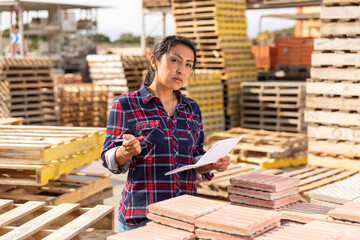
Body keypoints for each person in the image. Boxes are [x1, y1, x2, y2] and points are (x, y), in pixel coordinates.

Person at [101, 35, 231, 233]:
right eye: (174, 60)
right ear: (154, 60)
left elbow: (195, 158)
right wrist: (125, 152)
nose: (181, 70)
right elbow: (108, 158)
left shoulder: (192, 108)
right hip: (142, 218)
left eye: (188, 65)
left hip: (184, 217)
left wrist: (211, 163)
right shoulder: (126, 104)